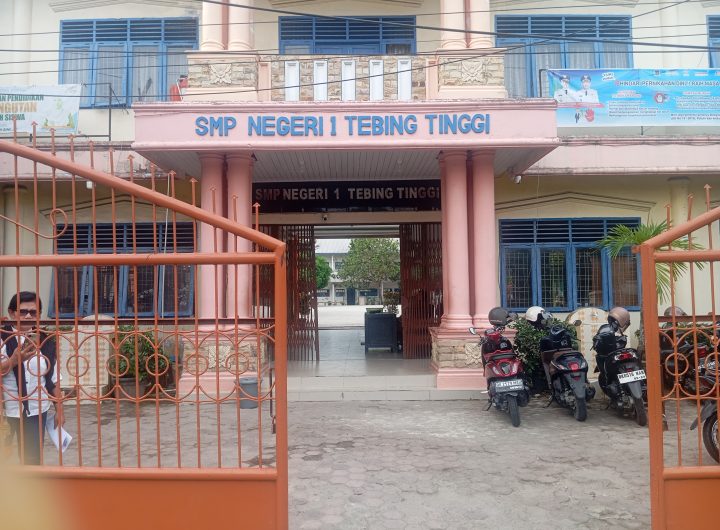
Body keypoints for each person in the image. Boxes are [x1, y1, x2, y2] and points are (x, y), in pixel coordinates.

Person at [0, 292, 63, 464]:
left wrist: (59, 410)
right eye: (23, 311)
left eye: (33, 312)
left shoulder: (45, 341)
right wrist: (13, 361)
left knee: (32, 459)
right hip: (6, 410)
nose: (28, 316)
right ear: (12, 313)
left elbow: (53, 378)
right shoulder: (2, 337)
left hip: (36, 409)